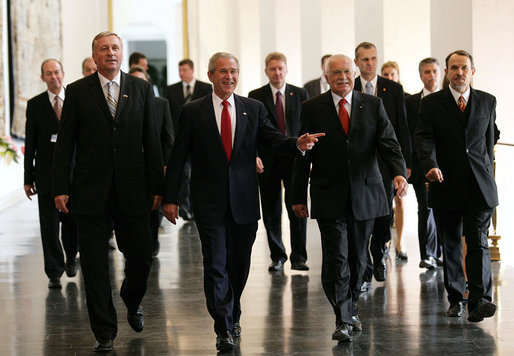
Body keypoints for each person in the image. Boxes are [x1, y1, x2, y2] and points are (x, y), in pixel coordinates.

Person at [163, 52, 323, 351]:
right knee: (216, 264)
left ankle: (233, 311)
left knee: (239, 263)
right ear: (211, 75)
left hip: (245, 201)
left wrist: (297, 144)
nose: (229, 77)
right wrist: (171, 198)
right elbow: (178, 157)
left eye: (234, 71)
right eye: (223, 72)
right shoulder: (192, 111)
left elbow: (273, 139)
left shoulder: (253, 108)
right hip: (209, 202)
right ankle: (222, 325)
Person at [53, 31, 164, 352]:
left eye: (115, 48)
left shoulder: (141, 89)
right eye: (104, 49)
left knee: (141, 256)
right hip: (90, 193)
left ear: (121, 53)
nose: (110, 53)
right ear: (95, 55)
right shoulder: (76, 91)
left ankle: (132, 298)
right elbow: (66, 145)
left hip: (134, 191)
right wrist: (60, 187)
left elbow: (151, 142)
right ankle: (104, 331)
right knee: (95, 264)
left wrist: (158, 186)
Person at [292, 54, 408, 342]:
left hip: (365, 193)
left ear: (354, 74)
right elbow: (302, 154)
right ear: (326, 77)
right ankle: (342, 317)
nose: (342, 77)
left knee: (358, 258)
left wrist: (398, 173)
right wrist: (297, 196)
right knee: (337, 257)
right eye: (336, 73)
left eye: (347, 72)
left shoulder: (373, 104)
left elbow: (389, 144)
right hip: (328, 194)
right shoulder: (311, 107)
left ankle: (352, 306)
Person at [415, 50, 499, 323]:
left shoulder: (487, 101)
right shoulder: (432, 104)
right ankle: (456, 299)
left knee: (478, 242)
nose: (459, 72)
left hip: (479, 185)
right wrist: (430, 164)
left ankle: (479, 300)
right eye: (454, 68)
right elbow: (424, 138)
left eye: (464, 67)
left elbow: (488, 141)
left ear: (473, 71)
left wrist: (486, 169)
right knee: (450, 243)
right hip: (445, 182)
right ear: (447, 72)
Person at [353, 42, 411, 288]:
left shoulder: (393, 89)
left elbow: (401, 128)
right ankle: (364, 266)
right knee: (362, 214)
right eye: (364, 59)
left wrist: (402, 167)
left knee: (383, 213)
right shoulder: (350, 86)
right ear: (357, 62)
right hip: (359, 163)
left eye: (373, 58)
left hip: (386, 163)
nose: (369, 63)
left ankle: (379, 253)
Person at [248, 52, 309, 272]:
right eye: (273, 69)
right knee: (271, 210)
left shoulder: (300, 93)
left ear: (286, 69)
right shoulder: (256, 95)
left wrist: (308, 157)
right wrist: (254, 154)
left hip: (295, 160)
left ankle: (299, 257)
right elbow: (252, 130)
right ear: (266, 71)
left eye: (281, 68)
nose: (277, 72)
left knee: (298, 208)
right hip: (268, 161)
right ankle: (278, 256)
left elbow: (306, 128)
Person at [24, 59, 79, 289]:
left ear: (63, 74)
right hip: (46, 174)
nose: (53, 76)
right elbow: (31, 142)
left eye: (56, 72)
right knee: (49, 223)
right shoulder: (35, 105)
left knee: (71, 221)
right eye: (48, 73)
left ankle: (71, 257)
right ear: (42, 78)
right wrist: (28, 178)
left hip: (74, 173)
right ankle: (54, 271)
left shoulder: (76, 100)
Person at [129, 65, 174, 256]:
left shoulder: (161, 104)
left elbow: (168, 137)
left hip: (153, 166)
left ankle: (153, 241)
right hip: (130, 167)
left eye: (142, 81)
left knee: (154, 207)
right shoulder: (122, 105)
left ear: (148, 83)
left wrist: (165, 164)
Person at [164, 59, 212, 220]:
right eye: (179, 70)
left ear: (192, 70)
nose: (181, 73)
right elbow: (168, 116)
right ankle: (184, 206)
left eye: (184, 69)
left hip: (200, 139)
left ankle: (195, 205)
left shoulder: (205, 88)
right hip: (180, 138)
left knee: (198, 173)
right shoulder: (171, 90)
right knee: (183, 174)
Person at [405, 57, 441, 270]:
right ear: (421, 76)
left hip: (446, 165)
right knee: (425, 209)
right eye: (427, 72)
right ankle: (426, 254)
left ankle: (440, 253)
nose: (431, 75)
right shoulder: (411, 103)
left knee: (444, 210)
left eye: (434, 71)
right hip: (420, 165)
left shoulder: (448, 100)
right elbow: (410, 134)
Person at [380, 61, 408, 261]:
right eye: (386, 74)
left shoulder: (402, 97)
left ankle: (400, 240)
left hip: (397, 155)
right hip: (381, 157)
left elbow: (404, 129)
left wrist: (405, 163)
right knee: (384, 200)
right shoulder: (377, 97)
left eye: (393, 74)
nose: (389, 77)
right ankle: (386, 239)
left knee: (399, 199)